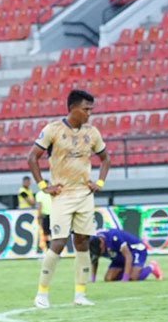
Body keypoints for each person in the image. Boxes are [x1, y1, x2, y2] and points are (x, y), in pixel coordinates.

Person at [28, 89, 111, 308]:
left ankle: (80, 294)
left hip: (85, 194)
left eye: (91, 109)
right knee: (59, 242)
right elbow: (32, 158)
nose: (89, 113)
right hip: (62, 195)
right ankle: (42, 293)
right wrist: (45, 186)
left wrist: (99, 183)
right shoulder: (53, 130)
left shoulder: (92, 132)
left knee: (83, 241)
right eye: (86, 109)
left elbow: (105, 159)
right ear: (73, 108)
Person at [89, 228, 164, 282]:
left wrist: (125, 278)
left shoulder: (114, 237)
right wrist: (93, 278)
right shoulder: (93, 242)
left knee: (133, 277)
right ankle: (129, 271)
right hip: (119, 255)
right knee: (108, 279)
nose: (101, 253)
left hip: (135, 250)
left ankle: (152, 267)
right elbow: (95, 259)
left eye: (101, 251)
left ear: (102, 242)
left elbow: (128, 256)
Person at [35, 180, 52, 254]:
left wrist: (39, 216)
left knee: (46, 233)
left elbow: (39, 206)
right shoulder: (52, 193)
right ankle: (50, 249)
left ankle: (48, 249)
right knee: (51, 233)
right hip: (52, 215)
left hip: (46, 215)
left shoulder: (39, 194)